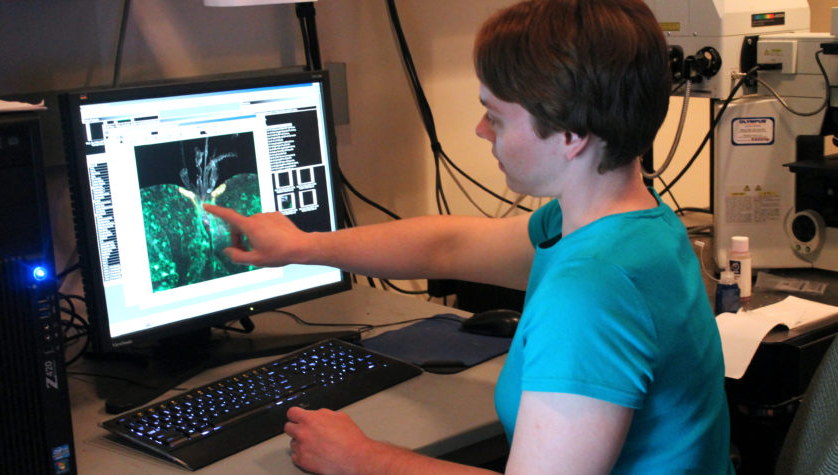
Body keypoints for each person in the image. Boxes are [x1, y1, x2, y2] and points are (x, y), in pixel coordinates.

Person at [205, 0, 733, 473]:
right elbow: (448, 246)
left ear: (571, 136)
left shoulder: (591, 291)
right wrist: (302, 247)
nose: (482, 130)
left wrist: (361, 459)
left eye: (496, 117)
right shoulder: (635, 227)